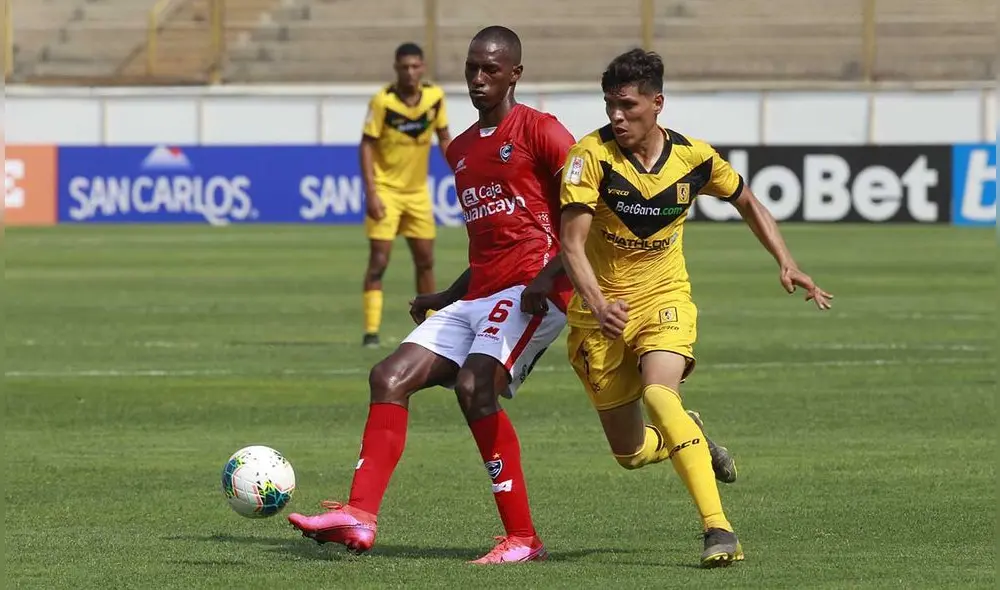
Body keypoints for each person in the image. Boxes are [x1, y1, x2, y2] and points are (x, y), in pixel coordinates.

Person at [289, 25, 576, 565]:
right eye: (471, 68)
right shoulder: (462, 149)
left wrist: (549, 276)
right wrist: (445, 294)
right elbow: (490, 245)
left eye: (490, 69)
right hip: (481, 293)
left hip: (533, 292)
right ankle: (358, 515)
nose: (478, 78)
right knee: (388, 377)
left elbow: (589, 211)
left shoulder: (542, 130)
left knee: (474, 387)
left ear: (515, 74)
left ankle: (523, 539)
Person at [558, 48, 833, 568]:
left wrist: (787, 260)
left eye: (628, 105)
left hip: (665, 298)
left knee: (660, 395)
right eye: (610, 105)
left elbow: (747, 201)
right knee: (630, 454)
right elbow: (571, 245)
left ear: (657, 103)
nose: (616, 116)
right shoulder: (588, 157)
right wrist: (598, 302)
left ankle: (718, 529)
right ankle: (692, 437)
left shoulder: (695, 158)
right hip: (600, 316)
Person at [360, 42, 452, 348]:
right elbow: (367, 144)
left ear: (422, 68)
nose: (410, 72)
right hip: (386, 190)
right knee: (379, 260)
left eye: (415, 66)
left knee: (425, 261)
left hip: (417, 193)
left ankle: (429, 327)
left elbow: (444, 136)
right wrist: (371, 192)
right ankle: (371, 331)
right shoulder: (383, 101)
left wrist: (461, 170)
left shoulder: (434, 98)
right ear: (396, 68)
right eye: (404, 67)